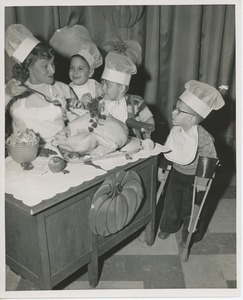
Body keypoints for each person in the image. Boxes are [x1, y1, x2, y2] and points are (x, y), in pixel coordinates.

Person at [157, 80, 225, 247]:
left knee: (192, 207)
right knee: (171, 202)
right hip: (176, 173)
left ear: (192, 118)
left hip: (195, 179)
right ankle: (168, 225)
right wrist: (163, 167)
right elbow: (169, 148)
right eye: (175, 107)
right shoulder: (176, 130)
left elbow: (209, 157)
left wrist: (202, 181)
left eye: (178, 111)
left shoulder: (202, 136)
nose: (173, 112)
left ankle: (191, 235)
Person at [5, 24, 73, 143]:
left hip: (60, 151)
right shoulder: (12, 90)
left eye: (53, 63)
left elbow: (80, 123)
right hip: (24, 155)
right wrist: (7, 95)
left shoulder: (64, 89)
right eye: (45, 65)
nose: (53, 70)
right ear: (28, 67)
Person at [99, 37, 155, 139]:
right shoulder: (99, 103)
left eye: (108, 85)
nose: (102, 88)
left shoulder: (136, 103)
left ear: (121, 88)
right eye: (102, 83)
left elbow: (149, 122)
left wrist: (146, 131)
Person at [49, 25, 103, 119]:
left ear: (90, 73)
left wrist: (94, 102)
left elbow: (106, 103)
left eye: (80, 68)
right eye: (72, 68)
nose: (75, 72)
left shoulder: (95, 86)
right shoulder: (68, 88)